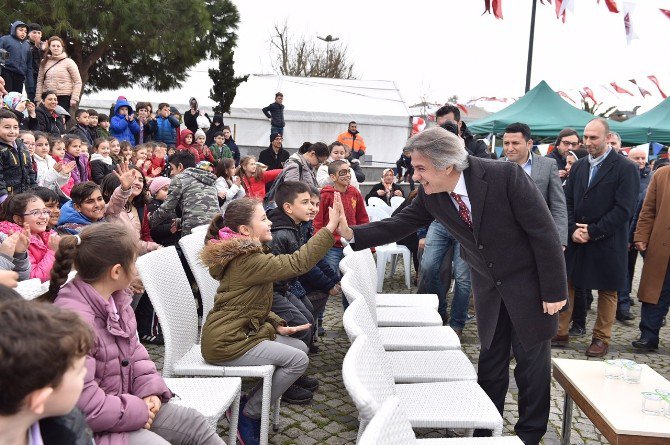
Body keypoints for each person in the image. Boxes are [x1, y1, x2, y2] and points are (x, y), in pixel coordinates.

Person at [339, 127, 567, 444]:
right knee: (491, 360)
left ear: (446, 165)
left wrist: (554, 291)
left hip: (529, 285)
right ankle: (486, 427)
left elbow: (544, 233)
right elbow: (399, 223)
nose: (416, 176)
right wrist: (351, 233)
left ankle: (529, 435)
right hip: (489, 288)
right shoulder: (434, 196)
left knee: (532, 365)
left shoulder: (504, 176)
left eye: (420, 168)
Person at [40, 223, 224, 445]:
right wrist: (138, 410)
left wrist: (150, 392)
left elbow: (134, 352)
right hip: (90, 430)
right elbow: (82, 405)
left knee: (192, 423)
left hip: (123, 407)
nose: (136, 270)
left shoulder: (116, 298)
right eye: (134, 263)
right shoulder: (75, 322)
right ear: (116, 271)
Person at [200, 195, 347, 444]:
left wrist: (276, 322)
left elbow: (244, 303)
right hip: (227, 343)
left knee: (300, 347)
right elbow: (297, 263)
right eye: (264, 218)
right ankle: (249, 413)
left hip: (237, 333)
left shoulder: (246, 255)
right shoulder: (249, 259)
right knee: (298, 359)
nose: (270, 223)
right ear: (246, 230)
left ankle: (247, 403)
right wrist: (329, 229)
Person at [554, 118, 639, 358]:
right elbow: (566, 201)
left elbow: (624, 210)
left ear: (607, 137)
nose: (588, 142)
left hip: (608, 240)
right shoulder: (579, 166)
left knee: (608, 290)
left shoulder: (626, 168)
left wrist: (592, 231)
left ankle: (601, 338)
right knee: (568, 283)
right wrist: (572, 229)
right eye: (586, 137)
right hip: (577, 239)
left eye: (594, 138)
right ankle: (560, 331)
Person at [0, 299, 94, 445]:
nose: (85, 373)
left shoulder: (70, 425)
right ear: (40, 400)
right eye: (79, 370)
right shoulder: (67, 429)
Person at [267, 181, 338, 353]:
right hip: (273, 291)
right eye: (305, 203)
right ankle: (291, 365)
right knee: (302, 324)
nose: (312, 208)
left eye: (314, 203)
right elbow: (292, 266)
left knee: (307, 317)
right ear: (289, 208)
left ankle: (299, 360)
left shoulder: (296, 226)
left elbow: (312, 258)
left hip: (285, 287)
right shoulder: (281, 233)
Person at [502, 123, 568, 245]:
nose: (510, 148)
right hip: (505, 240)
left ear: (529, 144)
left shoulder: (548, 165)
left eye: (515, 143)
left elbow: (558, 205)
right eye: (506, 143)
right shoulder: (494, 166)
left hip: (539, 239)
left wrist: (560, 241)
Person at [632, 165, 670, 351]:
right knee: (655, 292)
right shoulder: (662, 174)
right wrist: (641, 235)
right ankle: (648, 335)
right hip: (662, 246)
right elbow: (648, 209)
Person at [315, 160, 369, 288]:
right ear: (333, 177)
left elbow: (362, 218)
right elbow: (318, 221)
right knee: (331, 279)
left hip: (352, 244)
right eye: (343, 172)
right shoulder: (325, 196)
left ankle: (350, 304)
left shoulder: (355, 193)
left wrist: (368, 243)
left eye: (349, 171)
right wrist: (318, 244)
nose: (348, 175)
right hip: (332, 246)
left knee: (352, 281)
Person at [615, 146, 652, 322]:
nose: (640, 161)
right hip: (623, 230)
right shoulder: (624, 175)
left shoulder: (651, 178)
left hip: (642, 232)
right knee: (623, 268)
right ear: (629, 158)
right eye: (636, 158)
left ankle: (632, 299)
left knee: (638, 268)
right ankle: (622, 305)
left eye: (643, 158)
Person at [150, 151, 219, 236]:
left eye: (172, 168)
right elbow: (201, 208)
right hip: (215, 226)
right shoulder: (207, 178)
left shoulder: (180, 178)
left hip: (193, 230)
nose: (171, 173)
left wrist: (149, 222)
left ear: (180, 167)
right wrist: (181, 221)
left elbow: (167, 208)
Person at [100, 164, 161, 255]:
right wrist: (124, 188)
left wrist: (155, 248)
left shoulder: (141, 206)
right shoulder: (113, 209)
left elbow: (144, 236)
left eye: (140, 180)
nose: (137, 182)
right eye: (132, 178)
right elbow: (117, 202)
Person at [0, 192, 60, 282]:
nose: (43, 217)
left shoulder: (46, 235)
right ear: (19, 219)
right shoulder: (16, 240)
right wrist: (53, 252)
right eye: (35, 213)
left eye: (45, 211)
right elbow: (34, 279)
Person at [34, 36, 82, 113]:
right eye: (53, 46)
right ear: (49, 47)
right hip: (48, 96)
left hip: (64, 96)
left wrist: (74, 98)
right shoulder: (44, 62)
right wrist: (38, 99)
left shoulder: (69, 62)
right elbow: (40, 82)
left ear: (62, 48)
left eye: (58, 46)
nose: (56, 48)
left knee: (61, 119)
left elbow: (78, 81)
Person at [0, 109, 37, 200]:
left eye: (15, 127)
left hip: (24, 196)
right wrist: (4, 197)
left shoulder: (22, 146)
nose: (12, 131)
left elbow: (30, 171)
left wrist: (35, 190)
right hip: (7, 198)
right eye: (7, 127)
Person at [0, 21, 33, 94]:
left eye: (25, 31)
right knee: (6, 96)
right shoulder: (5, 40)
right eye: (20, 30)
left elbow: (29, 65)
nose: (23, 33)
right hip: (7, 73)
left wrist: (31, 84)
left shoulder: (27, 45)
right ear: (14, 29)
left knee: (17, 98)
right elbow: (1, 59)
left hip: (20, 75)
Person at [147, 176, 180, 247]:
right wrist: (172, 227)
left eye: (171, 190)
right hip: (164, 245)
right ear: (155, 192)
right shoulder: (152, 207)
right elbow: (154, 230)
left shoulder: (172, 205)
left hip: (175, 241)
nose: (169, 192)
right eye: (165, 189)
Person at [26, 23, 45, 103]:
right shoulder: (24, 44)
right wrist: (36, 47)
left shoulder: (45, 45)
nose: (36, 35)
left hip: (44, 76)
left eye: (39, 33)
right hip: (31, 76)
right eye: (34, 32)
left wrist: (44, 50)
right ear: (28, 34)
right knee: (32, 98)